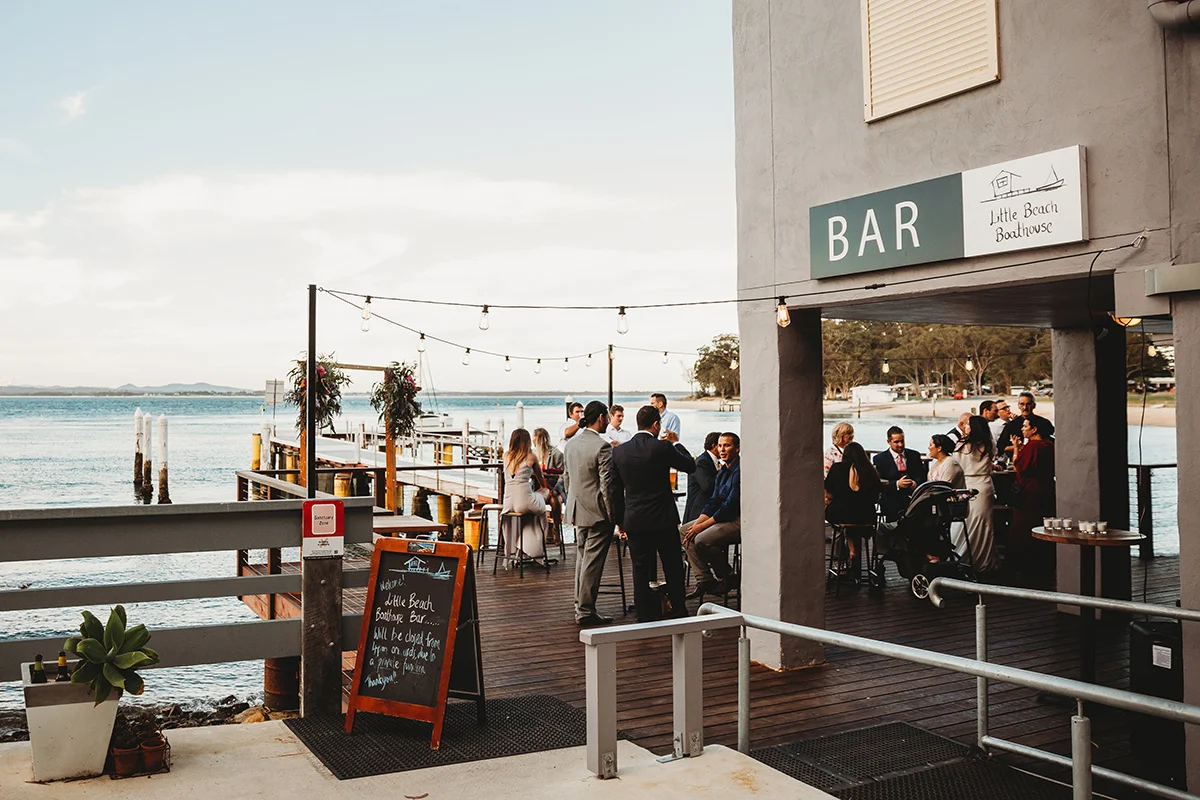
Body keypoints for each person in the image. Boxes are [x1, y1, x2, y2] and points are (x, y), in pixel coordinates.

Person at [609, 405, 696, 622]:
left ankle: (644, 612)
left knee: (640, 568)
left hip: (635, 519)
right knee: (672, 565)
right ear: (656, 424)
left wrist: (620, 521)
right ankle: (678, 609)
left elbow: (614, 491)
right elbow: (690, 467)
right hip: (663, 519)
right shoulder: (663, 448)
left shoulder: (619, 452)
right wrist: (676, 442)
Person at [562, 401, 618, 626]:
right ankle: (585, 610)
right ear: (603, 418)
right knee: (592, 562)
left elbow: (567, 479)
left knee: (582, 558)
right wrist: (612, 514)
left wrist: (571, 503)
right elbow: (607, 486)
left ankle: (579, 604)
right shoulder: (602, 447)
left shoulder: (571, 445)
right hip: (597, 512)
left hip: (577, 509)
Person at [682, 433, 741, 599]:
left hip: (737, 519)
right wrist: (698, 523)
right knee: (683, 531)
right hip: (721, 516)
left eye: (727, 445)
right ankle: (706, 580)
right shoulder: (722, 471)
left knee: (701, 539)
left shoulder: (740, 471)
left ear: (737, 448)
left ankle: (728, 575)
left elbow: (730, 507)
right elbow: (713, 501)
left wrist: (701, 526)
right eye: (720, 446)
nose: (722, 449)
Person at [1010, 415, 1057, 574]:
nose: (1022, 429)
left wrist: (1016, 449)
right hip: (1045, 488)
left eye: (1025, 426)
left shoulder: (1034, 446)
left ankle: (1025, 564)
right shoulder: (1048, 444)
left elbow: (1019, 467)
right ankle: (1043, 561)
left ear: (1034, 429)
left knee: (1023, 526)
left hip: (1029, 490)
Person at [824, 442, 881, 566]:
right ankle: (852, 548)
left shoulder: (837, 468)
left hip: (841, 514)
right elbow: (876, 498)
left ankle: (842, 557)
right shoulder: (870, 470)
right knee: (855, 518)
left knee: (842, 519)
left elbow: (829, 494)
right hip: (866, 516)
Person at [954, 416, 999, 571]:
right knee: (984, 523)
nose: (965, 426)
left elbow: (956, 464)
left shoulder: (961, 445)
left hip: (967, 484)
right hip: (985, 484)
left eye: (968, 425)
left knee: (965, 521)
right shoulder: (988, 444)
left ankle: (962, 557)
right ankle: (984, 560)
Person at [500, 428, 550, 564]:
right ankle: (533, 550)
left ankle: (520, 548)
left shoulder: (506, 456)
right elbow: (540, 477)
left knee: (531, 513)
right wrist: (544, 488)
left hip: (508, 502)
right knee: (541, 510)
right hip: (525, 500)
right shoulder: (531, 456)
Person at [873, 427, 928, 521]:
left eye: (902, 441)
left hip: (913, 500)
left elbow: (922, 475)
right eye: (896, 442)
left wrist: (915, 482)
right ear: (888, 442)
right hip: (891, 501)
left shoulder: (914, 455)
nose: (900, 444)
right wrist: (897, 484)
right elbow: (879, 484)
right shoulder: (880, 459)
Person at [928, 433, 968, 559]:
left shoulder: (950, 464)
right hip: (936, 504)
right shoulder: (936, 464)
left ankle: (935, 553)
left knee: (923, 522)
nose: (928, 448)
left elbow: (943, 488)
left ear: (939, 448)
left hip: (949, 506)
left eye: (931, 445)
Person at [532, 427, 565, 542]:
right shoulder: (533, 454)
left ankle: (555, 528)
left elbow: (563, 475)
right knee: (534, 502)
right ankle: (537, 530)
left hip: (555, 488)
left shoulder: (556, 454)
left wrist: (555, 490)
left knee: (554, 501)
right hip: (540, 489)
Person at [683, 432, 721, 525]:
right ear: (714, 446)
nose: (723, 449)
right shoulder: (702, 461)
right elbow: (707, 485)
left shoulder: (712, 461)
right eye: (720, 445)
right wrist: (721, 473)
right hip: (698, 511)